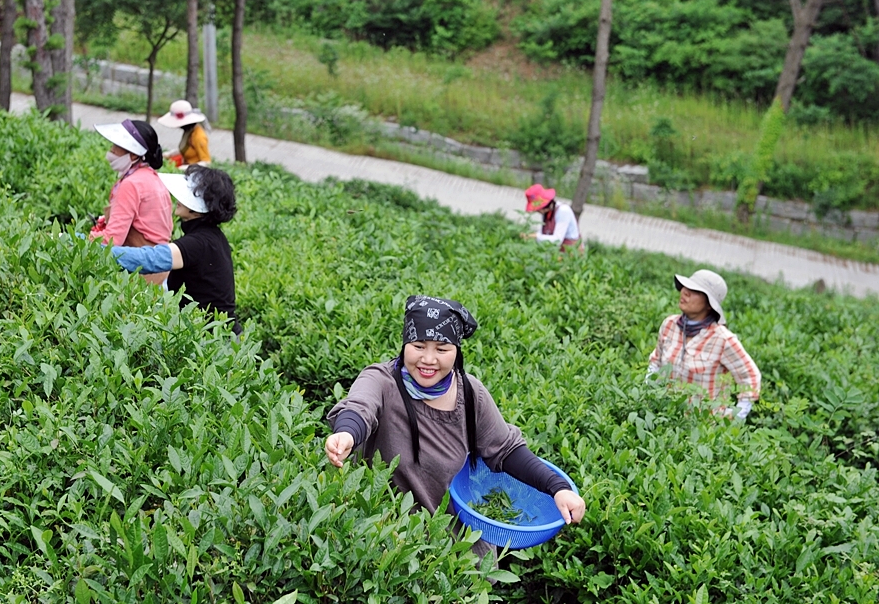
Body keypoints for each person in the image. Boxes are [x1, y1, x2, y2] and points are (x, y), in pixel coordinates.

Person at [325, 295, 585, 555]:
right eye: (418, 345)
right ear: (405, 345)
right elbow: (360, 407)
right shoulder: (382, 381)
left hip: (458, 549)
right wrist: (347, 433)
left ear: (456, 352)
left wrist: (557, 488)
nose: (428, 359)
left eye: (442, 349)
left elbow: (506, 450)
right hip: (389, 544)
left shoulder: (471, 394)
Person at [108, 165, 242, 336]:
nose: (178, 199)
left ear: (199, 208)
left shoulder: (199, 243)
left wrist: (97, 250)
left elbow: (149, 259)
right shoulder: (212, 236)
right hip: (218, 334)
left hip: (218, 339)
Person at [648, 270, 761, 419]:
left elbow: (751, 376)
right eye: (685, 286)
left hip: (703, 425)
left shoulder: (722, 339)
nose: (685, 292)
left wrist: (736, 417)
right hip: (665, 417)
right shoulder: (669, 324)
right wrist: (648, 394)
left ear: (709, 304)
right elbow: (655, 363)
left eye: (695, 291)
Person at [89, 119, 173, 285]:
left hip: (140, 275)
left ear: (134, 154)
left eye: (116, 146)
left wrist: (81, 239)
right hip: (161, 272)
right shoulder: (153, 178)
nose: (111, 151)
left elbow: (111, 240)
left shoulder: (131, 184)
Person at [521, 184, 584, 254]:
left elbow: (557, 240)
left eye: (537, 208)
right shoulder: (546, 213)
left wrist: (535, 236)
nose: (536, 210)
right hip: (557, 251)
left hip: (572, 252)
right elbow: (543, 233)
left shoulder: (563, 211)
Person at [157, 100, 211, 167]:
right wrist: (169, 154)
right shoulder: (189, 132)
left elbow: (206, 162)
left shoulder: (199, 137)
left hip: (195, 171)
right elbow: (186, 149)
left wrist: (185, 167)